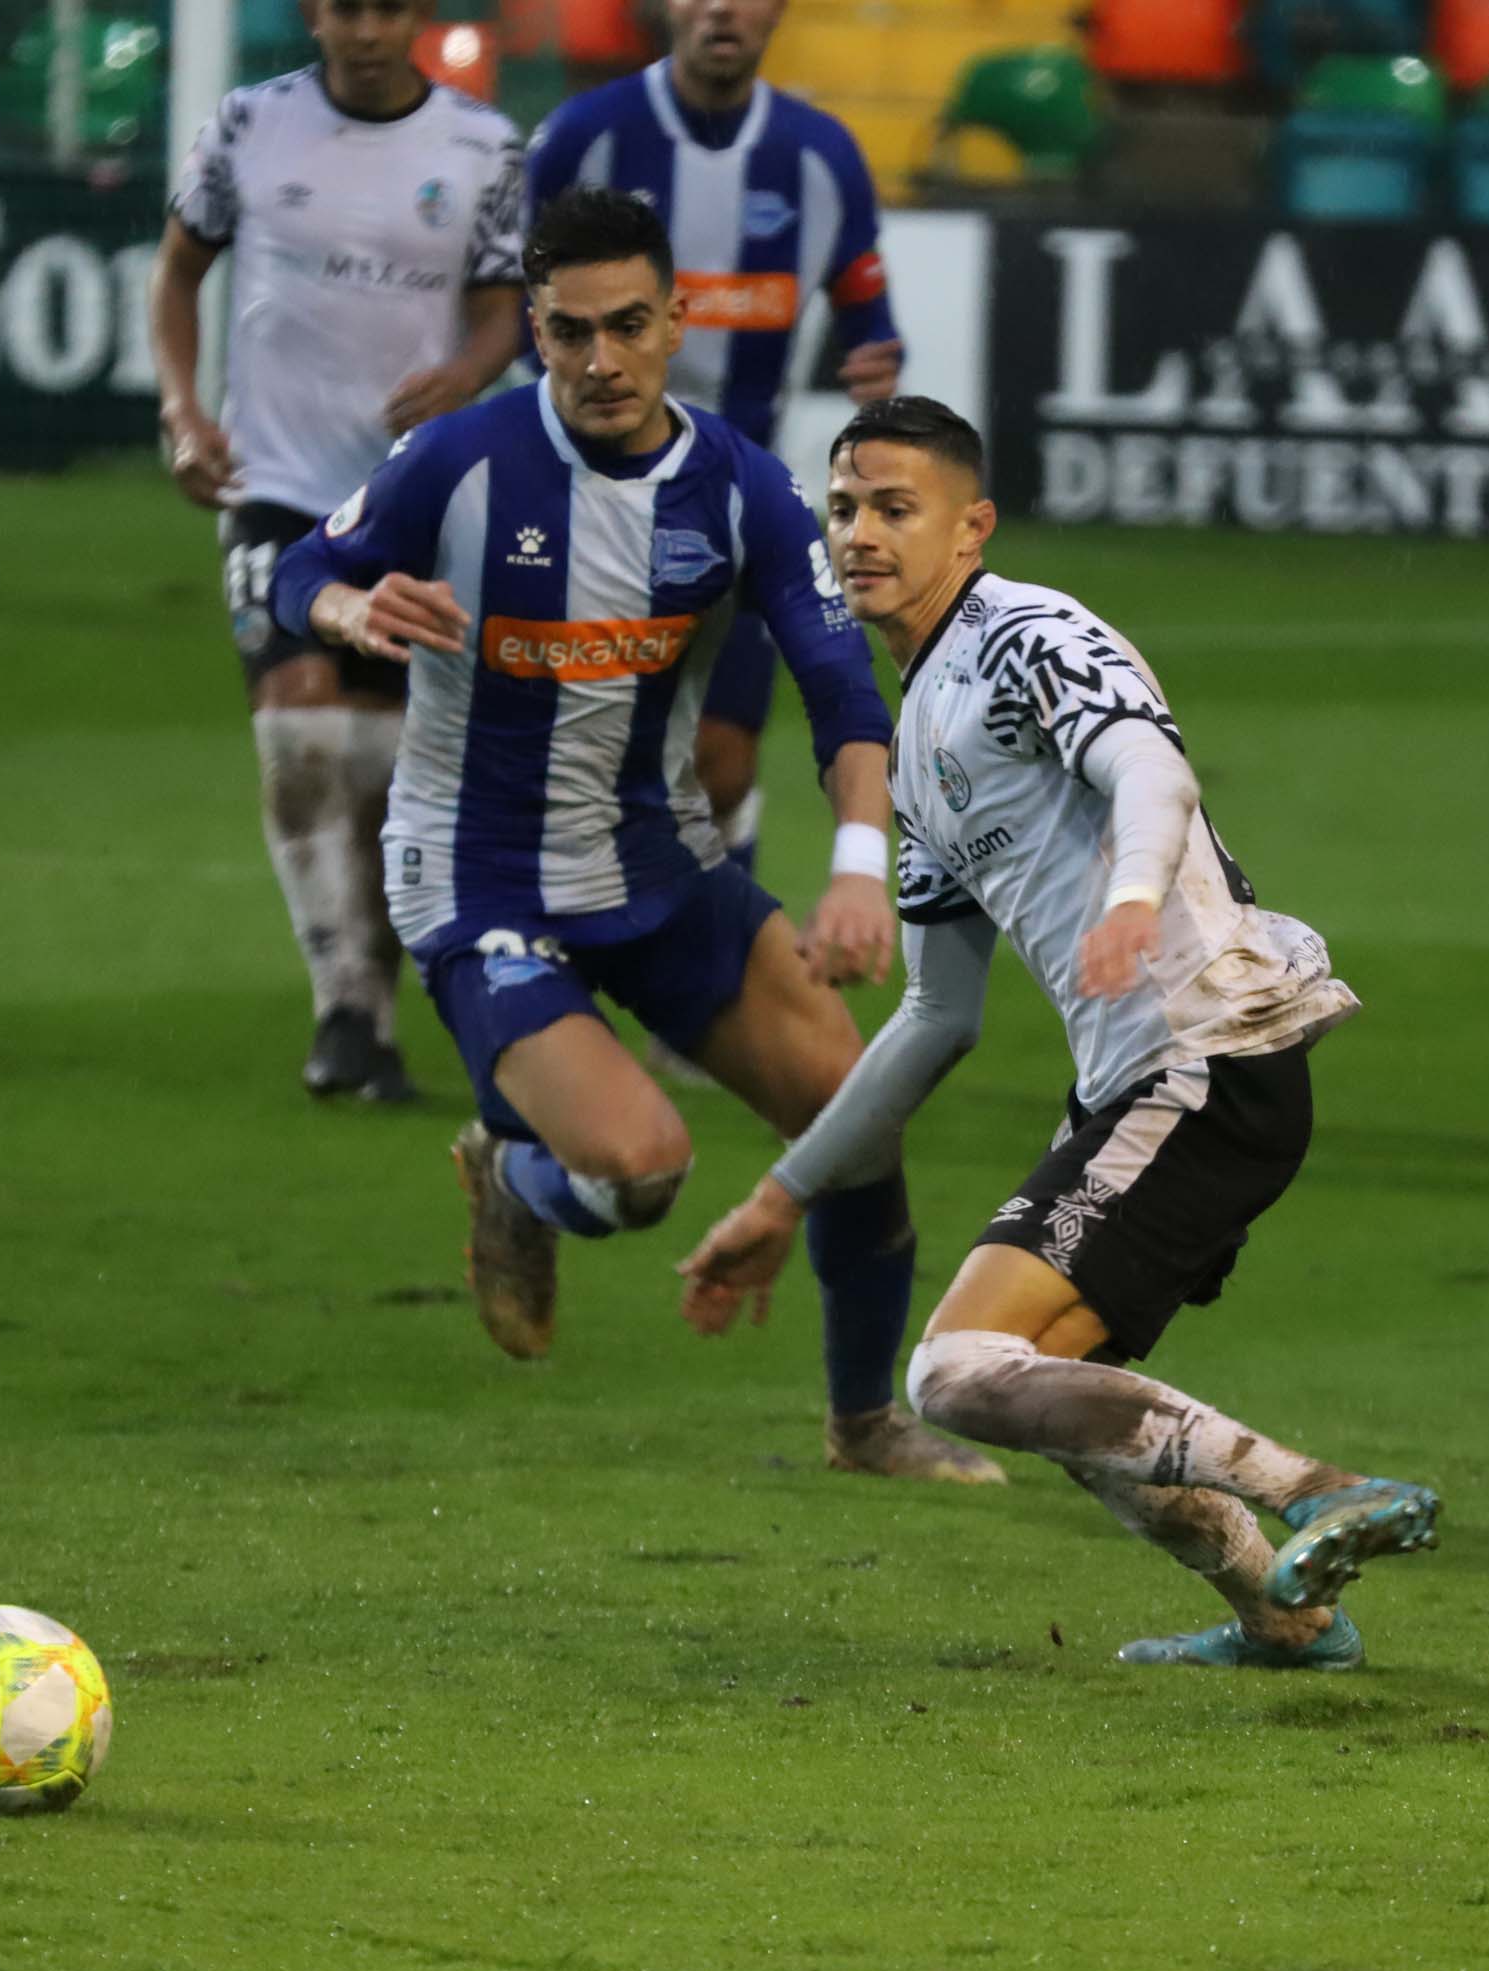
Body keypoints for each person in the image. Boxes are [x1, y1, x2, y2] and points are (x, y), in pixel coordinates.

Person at [675, 398, 1441, 1667]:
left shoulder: (1029, 631)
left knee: (957, 1374)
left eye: (895, 508)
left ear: (971, 526)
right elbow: (937, 1014)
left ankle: (1317, 1487)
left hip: (1204, 1051)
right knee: (1033, 1383)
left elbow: (1151, 769)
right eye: (846, 507)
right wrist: (780, 1197)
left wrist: (1135, 894)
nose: (861, 532)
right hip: (1141, 1078)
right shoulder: (914, 746)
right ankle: (1288, 1616)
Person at [267, 190, 999, 1485]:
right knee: (644, 1169)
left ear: (678, 320)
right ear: (535, 335)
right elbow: (295, 571)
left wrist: (852, 873)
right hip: (479, 877)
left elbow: (841, 691)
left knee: (856, 1122)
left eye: (624, 326)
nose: (599, 361)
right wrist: (346, 608)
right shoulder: (459, 461)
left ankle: (866, 1426)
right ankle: (518, 1178)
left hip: (659, 869)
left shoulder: (740, 489)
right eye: (565, 333)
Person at [151, 0, 529, 1104]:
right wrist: (182, 413)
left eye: (388, 9)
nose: (366, 32)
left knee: (383, 772)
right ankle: (345, 1009)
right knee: (301, 738)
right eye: (345, 8)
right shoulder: (245, 126)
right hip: (273, 486)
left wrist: (464, 376)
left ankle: (377, 992)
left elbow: (506, 310)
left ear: (418, 16)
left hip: (414, 500)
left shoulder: (482, 148)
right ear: (315, 14)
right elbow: (178, 271)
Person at [526, 0, 903, 898]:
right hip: (585, 497)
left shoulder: (821, 156)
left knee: (722, 762)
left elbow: (869, 320)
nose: (722, 9)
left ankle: (718, 976)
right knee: (573, 761)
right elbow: (517, 309)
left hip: (737, 500)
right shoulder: (585, 137)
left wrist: (875, 367)